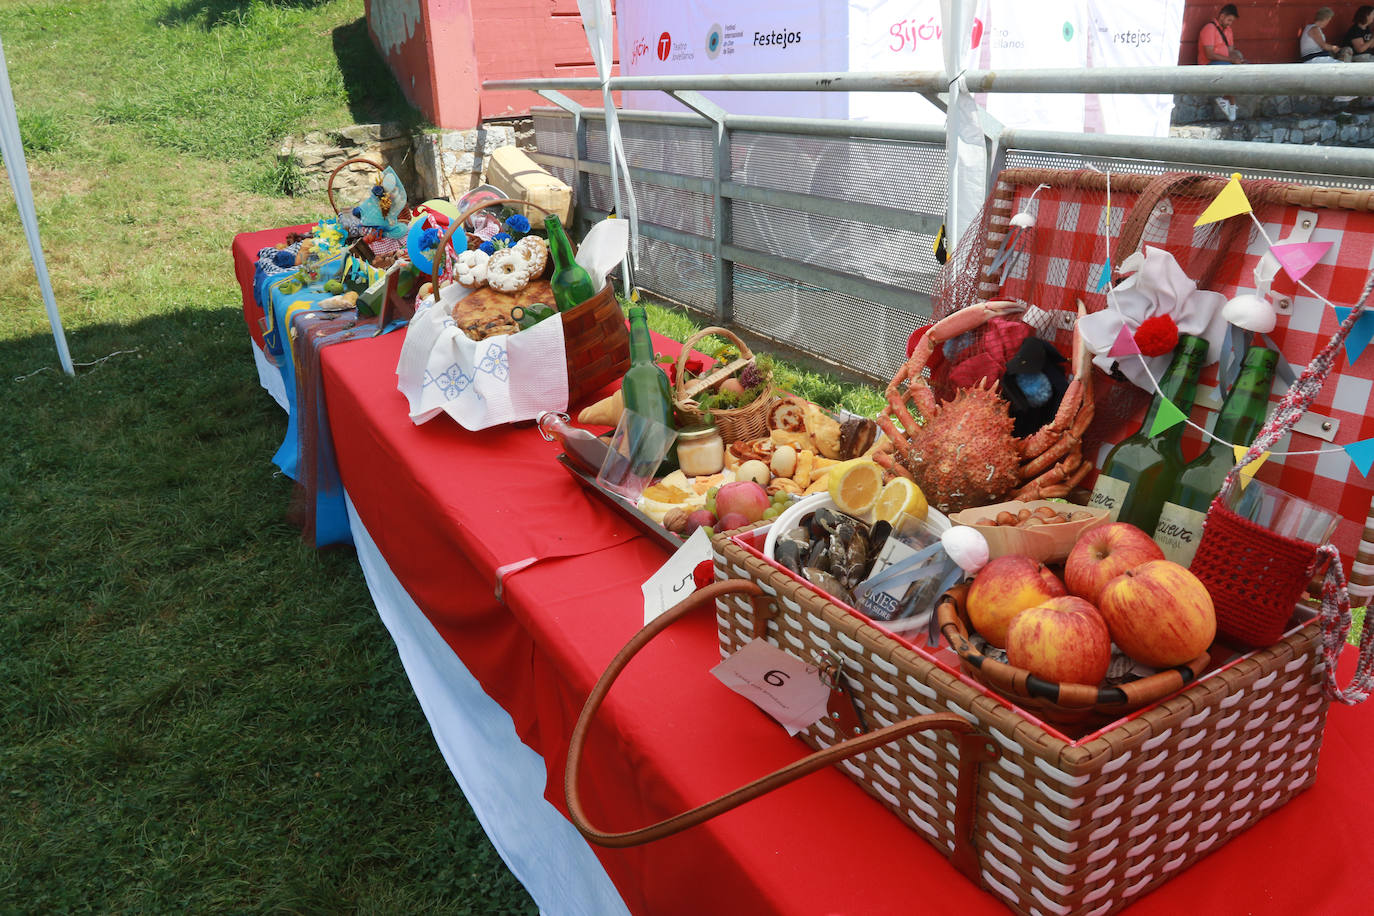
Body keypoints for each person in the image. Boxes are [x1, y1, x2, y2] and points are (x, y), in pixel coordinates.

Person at [1197, 5, 1244, 121]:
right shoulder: (1209, 29)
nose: (1230, 23)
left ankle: (1228, 102)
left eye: (1232, 21)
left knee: (1242, 69)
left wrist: (1238, 59)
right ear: (1222, 16)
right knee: (1230, 70)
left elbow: (1231, 51)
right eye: (1229, 20)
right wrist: (1231, 60)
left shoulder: (1228, 30)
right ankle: (1229, 102)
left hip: (1224, 63)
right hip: (1208, 65)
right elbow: (1209, 54)